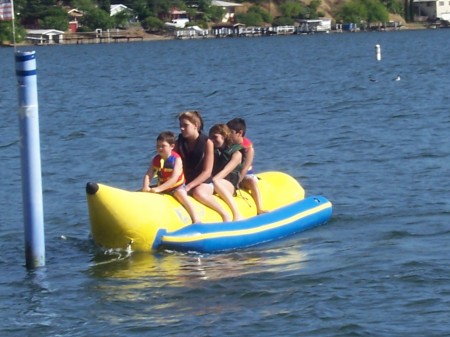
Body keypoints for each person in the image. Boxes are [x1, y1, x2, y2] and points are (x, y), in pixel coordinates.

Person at [175, 111, 232, 222]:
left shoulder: (207, 142)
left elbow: (207, 172)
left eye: (185, 125)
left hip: (204, 183)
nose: (182, 128)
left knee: (198, 192)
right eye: (180, 125)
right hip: (185, 182)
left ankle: (225, 214)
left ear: (196, 125)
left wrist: (188, 187)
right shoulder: (179, 143)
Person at [141, 131, 201, 223]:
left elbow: (174, 179)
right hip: (162, 187)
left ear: (172, 146)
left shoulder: (176, 159)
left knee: (181, 195)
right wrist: (146, 186)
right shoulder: (156, 159)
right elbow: (149, 174)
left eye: (163, 146)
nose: (160, 148)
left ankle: (196, 219)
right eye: (158, 146)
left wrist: (158, 189)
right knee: (142, 193)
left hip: (177, 187)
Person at [227, 118, 266, 214]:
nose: (227, 135)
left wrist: (236, 183)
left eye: (230, 132)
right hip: (231, 174)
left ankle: (259, 208)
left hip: (245, 175)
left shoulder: (248, 148)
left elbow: (245, 168)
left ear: (239, 133)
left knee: (252, 182)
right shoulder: (227, 144)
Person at [209, 123, 243, 221]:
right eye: (210, 138)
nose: (212, 140)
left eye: (215, 137)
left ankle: (237, 213)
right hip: (216, 183)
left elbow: (225, 171)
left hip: (230, 185)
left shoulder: (237, 153)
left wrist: (211, 182)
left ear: (224, 136)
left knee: (216, 182)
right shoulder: (213, 152)